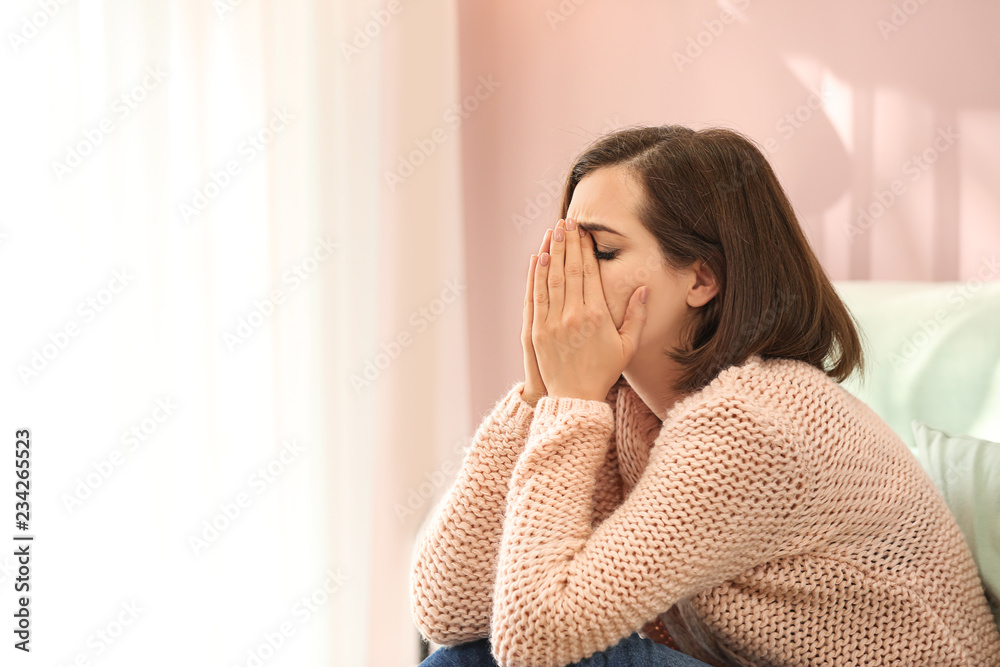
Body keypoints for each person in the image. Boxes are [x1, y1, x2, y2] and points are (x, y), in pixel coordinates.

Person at [409, 125, 1000, 666]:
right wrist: (538, 397)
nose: (571, 277)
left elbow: (536, 638)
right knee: (462, 657)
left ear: (700, 279)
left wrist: (566, 406)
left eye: (604, 252)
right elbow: (445, 608)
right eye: (567, 249)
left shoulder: (753, 422)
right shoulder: (622, 410)